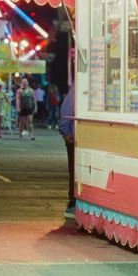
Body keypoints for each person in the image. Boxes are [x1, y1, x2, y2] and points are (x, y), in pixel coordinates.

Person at [58, 82, 75, 216]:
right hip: (74, 139)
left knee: (75, 171)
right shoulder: (78, 87)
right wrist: (67, 135)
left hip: (75, 138)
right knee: (75, 172)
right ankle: (73, 202)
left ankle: (74, 202)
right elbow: (66, 110)